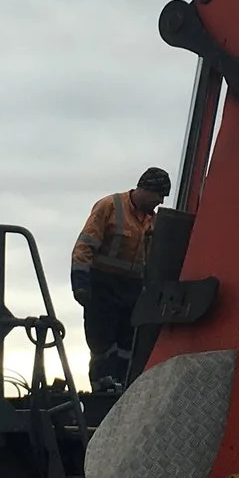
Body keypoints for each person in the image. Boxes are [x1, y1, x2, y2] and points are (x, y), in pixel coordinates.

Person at [71, 166, 171, 391]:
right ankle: (101, 387)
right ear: (145, 189)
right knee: (101, 340)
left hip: (132, 288)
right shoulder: (109, 206)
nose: (160, 201)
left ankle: (123, 385)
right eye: (159, 195)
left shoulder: (153, 221)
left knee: (128, 341)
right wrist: (80, 282)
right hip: (102, 285)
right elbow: (85, 246)